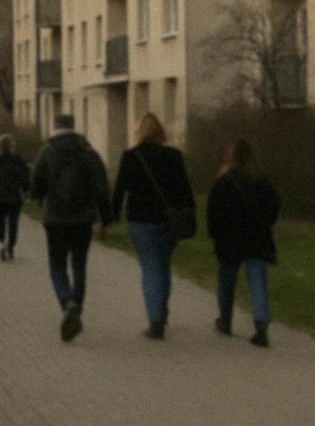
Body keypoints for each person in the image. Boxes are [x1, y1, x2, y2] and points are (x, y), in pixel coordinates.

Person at [108, 112, 195, 340]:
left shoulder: (131, 156)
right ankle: (162, 314)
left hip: (140, 220)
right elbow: (184, 189)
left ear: (139, 132)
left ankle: (156, 320)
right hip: (169, 221)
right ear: (161, 133)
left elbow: (120, 189)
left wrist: (112, 215)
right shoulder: (174, 156)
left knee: (150, 268)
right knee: (163, 266)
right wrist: (189, 213)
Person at [29, 113, 110, 342]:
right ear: (74, 127)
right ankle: (77, 304)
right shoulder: (88, 152)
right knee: (79, 264)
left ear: (55, 127)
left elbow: (36, 183)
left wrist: (37, 196)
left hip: (55, 218)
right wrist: (106, 218)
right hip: (83, 219)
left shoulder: (47, 151)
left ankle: (67, 303)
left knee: (57, 266)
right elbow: (101, 187)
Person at [207, 139, 279, 348]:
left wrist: (214, 234)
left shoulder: (223, 182)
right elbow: (273, 208)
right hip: (257, 237)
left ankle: (225, 319)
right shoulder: (262, 182)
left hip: (229, 239)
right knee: (258, 281)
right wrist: (266, 225)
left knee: (227, 280)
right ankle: (261, 323)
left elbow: (214, 212)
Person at [0, 133, 30, 261]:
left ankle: (2, 242)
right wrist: (26, 190)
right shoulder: (17, 158)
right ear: (11, 145)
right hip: (15, 196)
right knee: (13, 223)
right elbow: (26, 175)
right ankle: (11, 245)